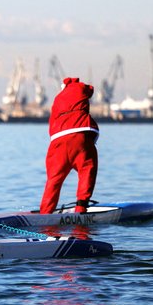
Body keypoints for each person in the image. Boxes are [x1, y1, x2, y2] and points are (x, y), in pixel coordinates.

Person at [39, 77, 99, 214]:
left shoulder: (57, 99)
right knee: (87, 168)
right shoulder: (81, 90)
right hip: (80, 137)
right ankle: (81, 207)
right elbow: (90, 90)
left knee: (54, 180)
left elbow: (51, 124)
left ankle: (45, 213)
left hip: (57, 141)